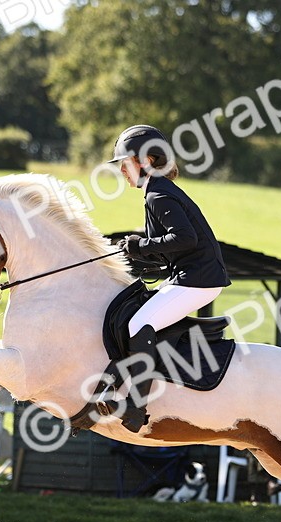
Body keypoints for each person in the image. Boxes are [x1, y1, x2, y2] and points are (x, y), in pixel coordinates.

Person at [107, 124, 232, 432]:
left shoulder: (159, 195)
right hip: (190, 276)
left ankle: (136, 408)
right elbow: (171, 246)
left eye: (124, 164)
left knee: (139, 324)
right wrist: (135, 250)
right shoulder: (157, 191)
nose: (122, 172)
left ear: (144, 161)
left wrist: (141, 245)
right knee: (136, 316)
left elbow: (185, 239)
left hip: (198, 279)